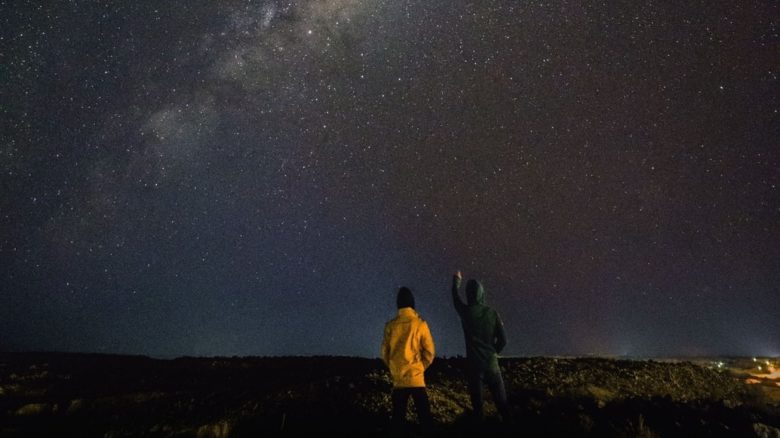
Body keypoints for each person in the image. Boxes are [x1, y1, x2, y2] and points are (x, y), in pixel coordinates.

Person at [451, 270, 510, 421]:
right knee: (503, 407)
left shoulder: (465, 312)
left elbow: (455, 299)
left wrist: (456, 282)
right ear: (482, 293)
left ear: (469, 294)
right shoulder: (492, 313)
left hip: (474, 367)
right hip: (491, 365)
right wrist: (493, 352)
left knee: (478, 411)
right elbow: (503, 340)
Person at [381, 286, 435, 429]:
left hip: (399, 380)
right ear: (412, 303)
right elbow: (429, 352)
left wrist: (394, 368)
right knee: (425, 420)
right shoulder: (420, 324)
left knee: (398, 420)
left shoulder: (390, 326)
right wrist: (421, 367)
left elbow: (384, 353)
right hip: (417, 379)